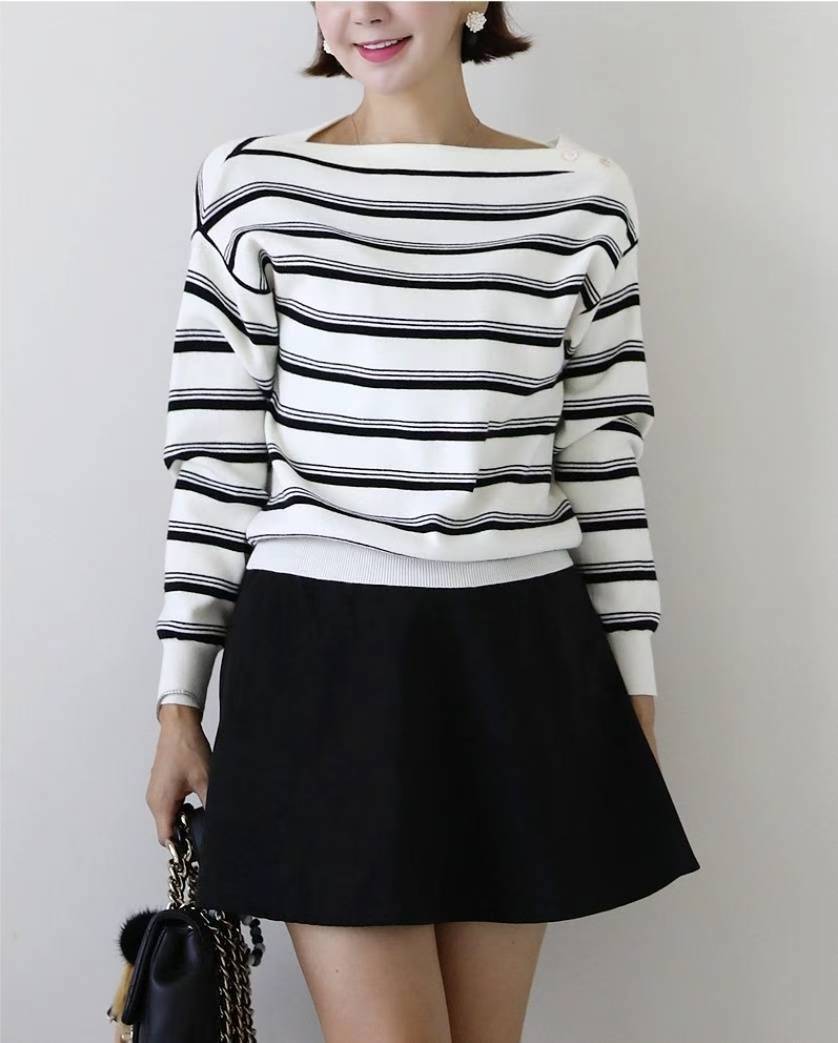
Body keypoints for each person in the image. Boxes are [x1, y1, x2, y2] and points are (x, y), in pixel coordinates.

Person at [145, 3, 700, 1040]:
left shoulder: (582, 196)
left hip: (522, 656)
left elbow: (602, 464)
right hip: (322, 659)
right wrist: (179, 700)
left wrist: (636, 688)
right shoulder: (252, 187)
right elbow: (215, 461)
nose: (366, 10)